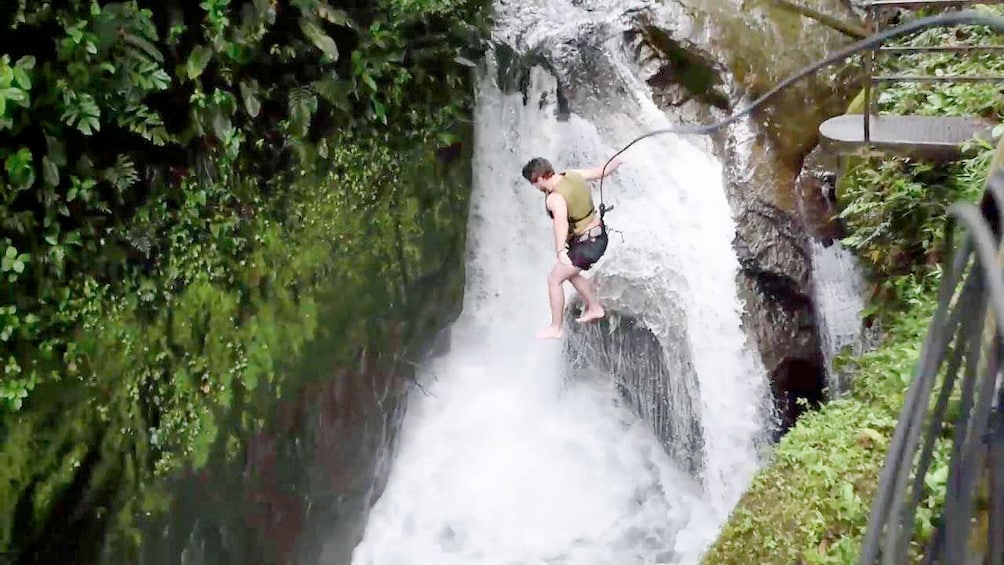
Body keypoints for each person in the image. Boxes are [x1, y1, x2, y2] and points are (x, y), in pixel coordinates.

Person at [521, 156, 624, 340]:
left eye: (533, 183)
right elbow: (602, 171)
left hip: (587, 245)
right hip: (599, 237)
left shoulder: (554, 198)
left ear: (539, 178)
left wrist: (560, 251)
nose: (535, 187)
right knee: (569, 273)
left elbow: (560, 224)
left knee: (554, 279)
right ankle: (594, 307)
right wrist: (617, 161)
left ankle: (556, 327)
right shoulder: (573, 174)